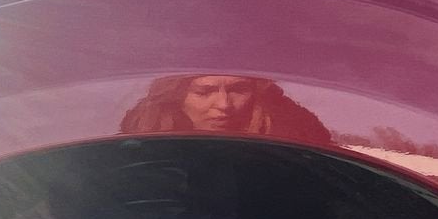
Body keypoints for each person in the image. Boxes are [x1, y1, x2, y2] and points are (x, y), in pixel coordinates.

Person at [120, 74, 331, 140]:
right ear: (176, 97)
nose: (224, 105)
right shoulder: (138, 138)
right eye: (204, 92)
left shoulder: (295, 138)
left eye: (238, 91)